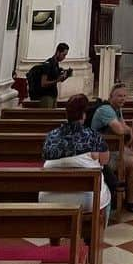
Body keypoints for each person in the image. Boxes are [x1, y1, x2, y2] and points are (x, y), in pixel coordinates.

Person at [40, 93, 112, 222]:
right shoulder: (92, 136)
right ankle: (95, 235)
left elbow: (45, 156)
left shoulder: (51, 136)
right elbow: (105, 160)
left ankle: (55, 239)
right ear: (84, 115)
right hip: (87, 199)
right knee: (106, 190)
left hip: (49, 196)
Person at [90, 81, 133, 215]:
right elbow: (121, 130)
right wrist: (126, 130)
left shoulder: (116, 109)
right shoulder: (106, 110)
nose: (122, 99)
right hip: (99, 154)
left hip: (110, 149)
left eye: (124, 96)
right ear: (111, 96)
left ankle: (120, 194)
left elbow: (126, 129)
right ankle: (129, 200)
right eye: (119, 96)